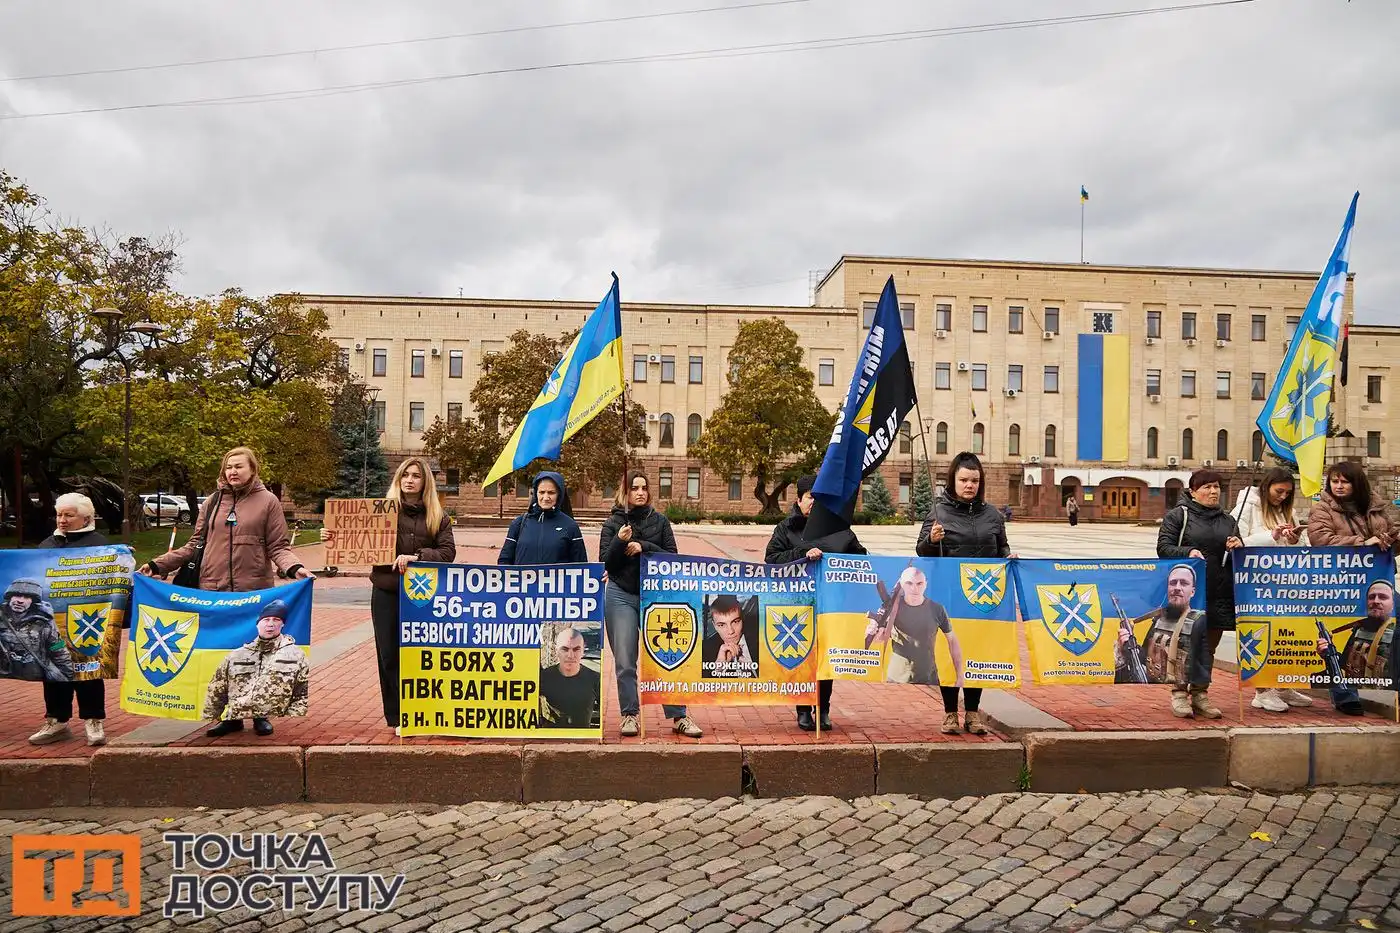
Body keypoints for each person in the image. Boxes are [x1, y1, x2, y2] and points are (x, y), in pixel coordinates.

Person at [322, 456, 456, 733]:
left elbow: (447, 553)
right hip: (386, 591)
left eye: (416, 476)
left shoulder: (437, 516)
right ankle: (397, 716)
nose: (410, 480)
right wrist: (332, 536)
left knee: (423, 655)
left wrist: (417, 557)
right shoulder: (380, 512)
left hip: (423, 597)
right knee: (389, 655)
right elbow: (353, 538)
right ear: (398, 480)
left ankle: (425, 711)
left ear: (424, 481)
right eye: (405, 474)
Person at [915, 452, 1012, 735]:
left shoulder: (992, 515)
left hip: (983, 600)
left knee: (975, 653)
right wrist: (932, 540)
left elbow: (1002, 548)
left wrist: (1009, 557)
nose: (969, 485)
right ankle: (949, 713)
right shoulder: (938, 512)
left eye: (974, 480)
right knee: (949, 654)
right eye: (964, 480)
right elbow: (921, 550)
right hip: (949, 597)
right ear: (953, 481)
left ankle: (972, 713)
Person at [600, 470, 703, 738]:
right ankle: (629, 714)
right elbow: (607, 564)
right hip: (621, 594)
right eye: (634, 488)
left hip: (657, 598)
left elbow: (673, 557)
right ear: (625, 492)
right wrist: (619, 542)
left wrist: (643, 545)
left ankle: (679, 715)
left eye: (644, 487)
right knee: (625, 659)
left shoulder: (660, 521)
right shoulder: (613, 523)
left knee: (668, 657)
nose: (640, 492)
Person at [765, 474, 867, 732]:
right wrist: (801, 554)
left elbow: (862, 560)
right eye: (810, 496)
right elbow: (772, 559)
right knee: (802, 658)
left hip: (831, 607)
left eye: (819, 497)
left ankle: (823, 708)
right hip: (797, 609)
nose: (814, 502)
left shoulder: (839, 529)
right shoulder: (786, 529)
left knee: (826, 660)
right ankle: (803, 709)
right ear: (799, 499)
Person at [143, 447, 310, 590]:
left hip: (252, 592)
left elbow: (278, 547)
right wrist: (157, 565)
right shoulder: (212, 502)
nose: (233, 471)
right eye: (228, 467)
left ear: (252, 470)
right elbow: (194, 545)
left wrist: (295, 568)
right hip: (211, 591)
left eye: (238, 466)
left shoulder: (268, 501)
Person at [1157, 469, 1242, 719]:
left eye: (1216, 486)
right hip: (1190, 595)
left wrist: (1238, 545)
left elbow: (1235, 553)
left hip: (1219, 593)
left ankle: (1201, 693)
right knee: (1185, 644)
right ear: (1193, 491)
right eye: (1206, 487)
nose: (1213, 491)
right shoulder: (1178, 516)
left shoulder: (1227, 520)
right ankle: (1180, 693)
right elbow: (1163, 548)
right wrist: (1189, 551)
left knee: (1208, 649)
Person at [29, 493, 110, 746]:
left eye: (69, 515)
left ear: (85, 518)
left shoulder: (99, 545)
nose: (62, 520)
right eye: (59, 514)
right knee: (53, 670)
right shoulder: (47, 545)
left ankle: (93, 721)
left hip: (87, 620)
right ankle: (57, 720)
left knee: (88, 670)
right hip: (51, 622)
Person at [1234, 469, 1314, 712]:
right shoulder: (1247, 505)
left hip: (1285, 584)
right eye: (1279, 491)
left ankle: (1282, 684)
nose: (1282, 496)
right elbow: (1237, 542)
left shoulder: (1287, 510)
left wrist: (1293, 538)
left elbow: (1302, 545)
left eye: (1287, 493)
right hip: (1256, 583)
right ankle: (1262, 690)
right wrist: (1272, 535)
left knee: (1286, 633)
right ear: (1267, 486)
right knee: (1260, 634)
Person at [203, 599, 310, 736]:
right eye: (266, 620)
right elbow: (217, 687)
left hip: (272, 710)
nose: (270, 624)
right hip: (236, 707)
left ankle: (261, 718)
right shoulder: (238, 655)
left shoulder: (294, 655)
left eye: (276, 620)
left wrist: (293, 716)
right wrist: (211, 715)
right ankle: (233, 721)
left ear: (283, 624)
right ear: (257, 624)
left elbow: (302, 690)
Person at [868, 566, 962, 689]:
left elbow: (952, 640)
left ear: (926, 584)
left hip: (929, 679)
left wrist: (960, 676)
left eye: (919, 583)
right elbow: (879, 638)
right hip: (896, 679)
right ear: (901, 584)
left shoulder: (937, 609)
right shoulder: (891, 607)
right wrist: (873, 631)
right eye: (909, 583)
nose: (914, 588)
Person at [1128, 565, 1209, 691]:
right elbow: (1143, 658)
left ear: (1192, 591)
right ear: (1167, 588)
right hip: (1154, 687)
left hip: (1185, 687)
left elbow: (1203, 663)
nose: (1177, 588)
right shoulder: (1158, 620)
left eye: (1183, 583)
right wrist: (1128, 644)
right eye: (1173, 583)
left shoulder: (1199, 621)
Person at [1315, 580, 1398, 694]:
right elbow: (1344, 665)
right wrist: (1328, 653)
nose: (1376, 601)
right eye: (1372, 597)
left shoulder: (1396, 633)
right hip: (1355, 698)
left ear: (1393, 604)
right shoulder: (1359, 630)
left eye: (1383, 597)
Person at [1307, 460, 1400, 550]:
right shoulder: (1321, 509)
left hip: (1378, 563)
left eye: (1345, 482)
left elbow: (1392, 537)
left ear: (1357, 483)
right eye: (1335, 482)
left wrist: (1391, 540)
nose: (1339, 486)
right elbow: (1320, 540)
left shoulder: (1375, 505)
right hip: (1343, 564)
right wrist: (1362, 543)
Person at [499, 471, 588, 565]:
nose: (546, 497)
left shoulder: (570, 526)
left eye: (551, 493)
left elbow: (581, 566)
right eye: (542, 492)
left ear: (559, 494)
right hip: (524, 580)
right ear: (535, 493)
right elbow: (504, 561)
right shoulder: (518, 524)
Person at [0, 578, 73, 684]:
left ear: (33, 601)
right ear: (10, 597)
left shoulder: (44, 621)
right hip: (5, 679)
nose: (20, 600)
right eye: (17, 595)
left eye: (26, 597)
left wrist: (67, 676)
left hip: (37, 677)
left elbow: (58, 648)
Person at [539, 626, 601, 728]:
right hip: (550, 739)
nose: (570, 655)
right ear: (556, 650)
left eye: (576, 649)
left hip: (583, 739)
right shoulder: (544, 677)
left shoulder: (595, 679)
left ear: (583, 650)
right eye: (565, 649)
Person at [701, 594, 759, 678]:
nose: (731, 631)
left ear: (742, 619)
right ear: (714, 626)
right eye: (721, 625)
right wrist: (718, 669)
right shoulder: (704, 651)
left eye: (735, 622)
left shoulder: (759, 636)